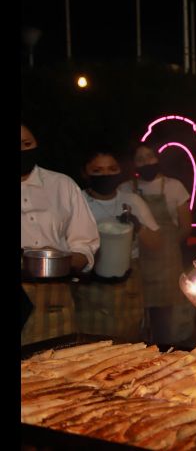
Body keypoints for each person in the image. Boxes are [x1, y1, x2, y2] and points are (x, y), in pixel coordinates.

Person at [21, 123, 100, 345]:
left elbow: (85, 243)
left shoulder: (61, 184)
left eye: (27, 144)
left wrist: (66, 261)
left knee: (59, 368)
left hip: (56, 297)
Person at [76, 147, 161, 341]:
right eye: (97, 171)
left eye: (112, 169)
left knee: (127, 344)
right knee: (92, 344)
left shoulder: (131, 200)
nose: (106, 175)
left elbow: (156, 243)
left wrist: (138, 226)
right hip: (90, 287)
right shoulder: (77, 201)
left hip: (128, 282)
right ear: (85, 173)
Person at [118, 143, 196, 345]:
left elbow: (185, 227)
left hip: (167, 265)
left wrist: (168, 247)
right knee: (138, 319)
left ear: (157, 159)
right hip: (137, 262)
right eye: (140, 159)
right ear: (133, 164)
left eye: (149, 157)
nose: (146, 162)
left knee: (165, 321)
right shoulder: (125, 189)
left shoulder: (174, 186)